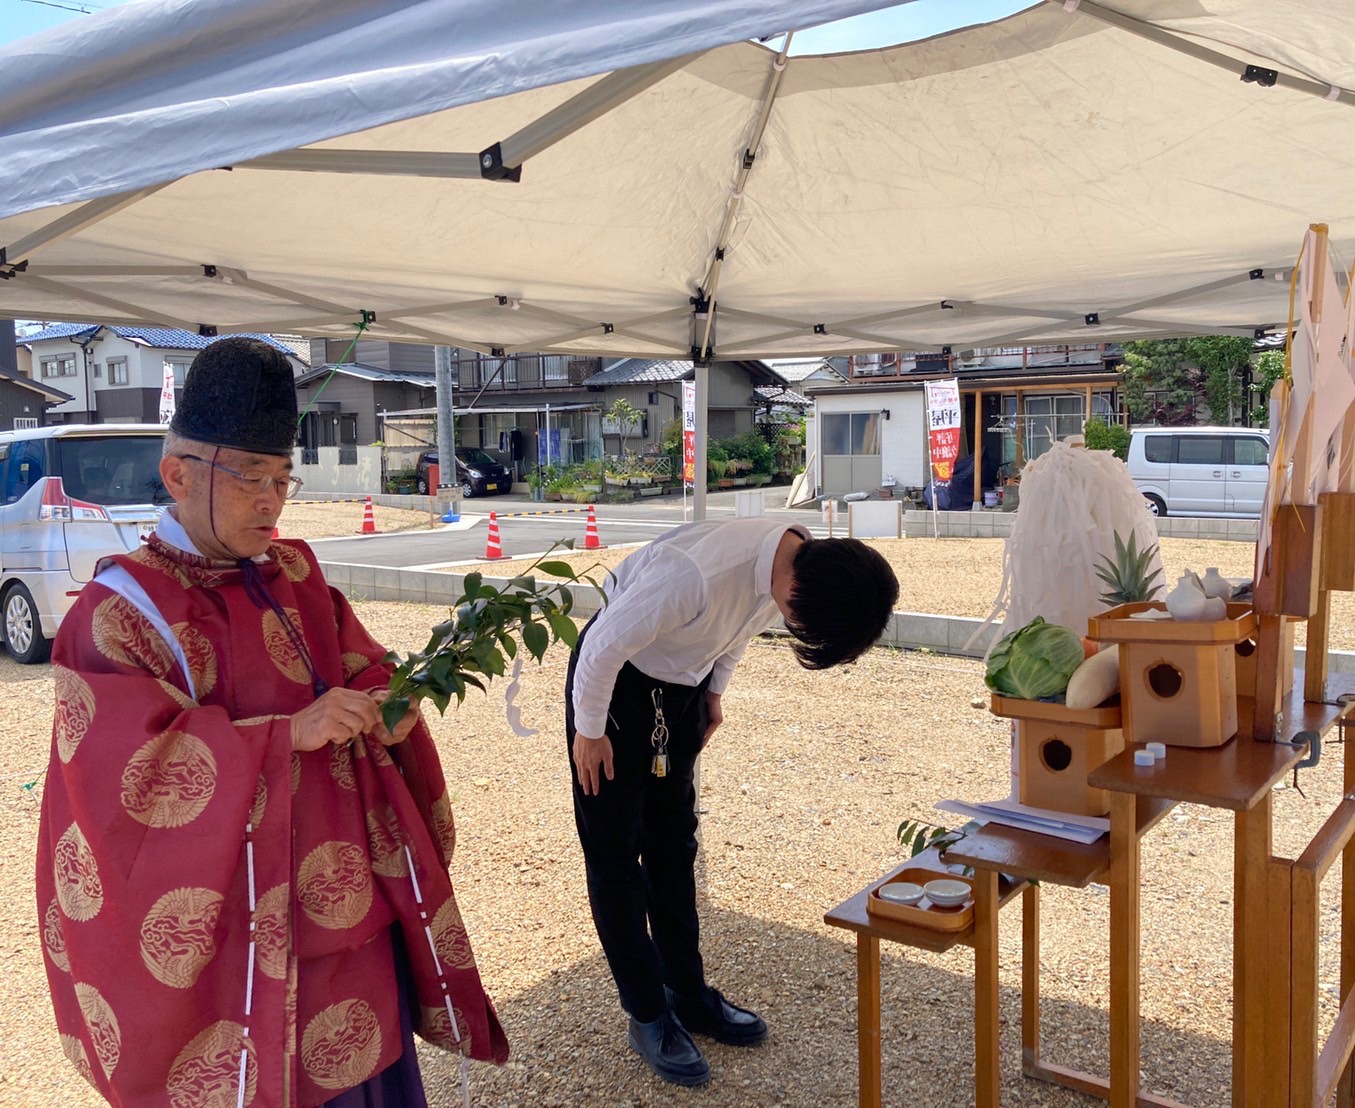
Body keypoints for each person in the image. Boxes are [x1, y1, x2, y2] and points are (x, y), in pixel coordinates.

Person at [35, 337, 507, 1107]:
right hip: (232, 943)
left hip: (345, 913)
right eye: (250, 476)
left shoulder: (295, 573)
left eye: (283, 479)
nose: (272, 500)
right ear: (177, 474)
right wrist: (286, 733)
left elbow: (363, 663)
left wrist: (392, 701)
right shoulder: (119, 615)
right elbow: (121, 781)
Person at [566, 517, 899, 1086]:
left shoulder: (791, 568)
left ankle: (688, 994)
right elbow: (602, 646)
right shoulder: (691, 575)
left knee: (674, 844)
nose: (795, 627)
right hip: (614, 684)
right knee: (616, 855)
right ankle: (647, 1014)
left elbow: (738, 631)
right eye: (802, 624)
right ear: (799, 590)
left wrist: (713, 694)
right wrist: (590, 730)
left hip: (681, 688)